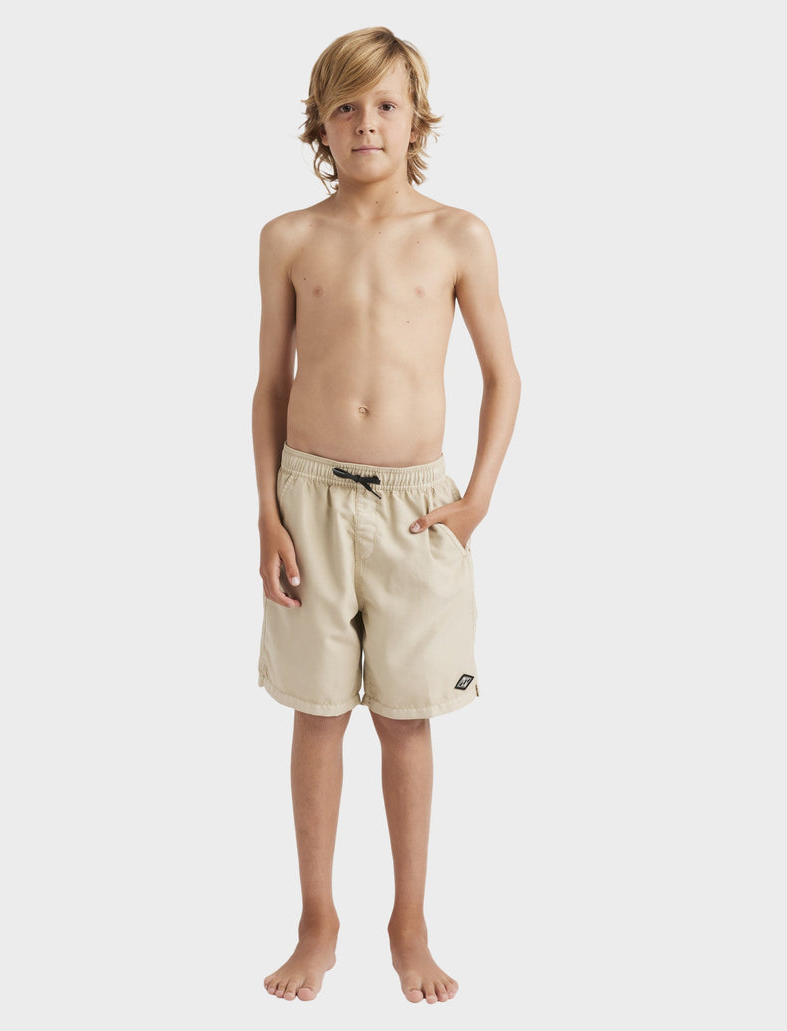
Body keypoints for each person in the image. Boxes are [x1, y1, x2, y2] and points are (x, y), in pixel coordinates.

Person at [252, 26, 521, 1004]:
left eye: (386, 104)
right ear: (320, 125)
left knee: (408, 721)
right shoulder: (289, 236)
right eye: (346, 105)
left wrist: (475, 498)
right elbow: (270, 383)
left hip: (418, 511)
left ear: (417, 121)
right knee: (317, 712)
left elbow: (502, 375)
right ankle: (316, 918)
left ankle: (410, 921)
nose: (367, 122)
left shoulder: (457, 235)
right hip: (310, 498)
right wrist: (267, 514)